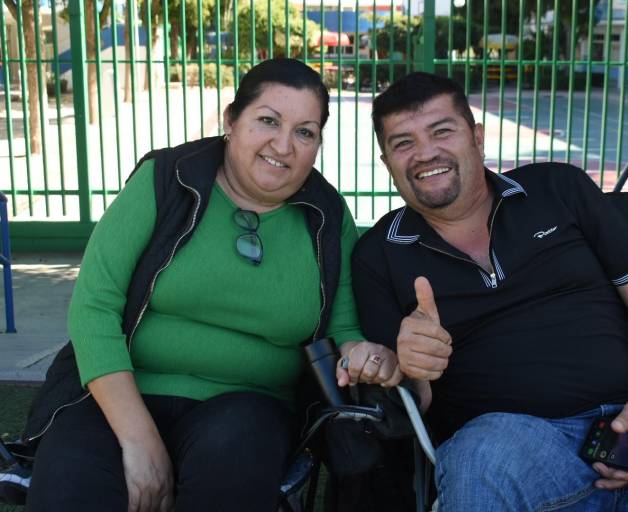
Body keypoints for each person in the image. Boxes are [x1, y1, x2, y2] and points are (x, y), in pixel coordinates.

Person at [352, 72, 628, 511]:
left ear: (476, 137)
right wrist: (416, 369)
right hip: (513, 449)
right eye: (403, 143)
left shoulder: (558, 189)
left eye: (442, 131)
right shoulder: (378, 255)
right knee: (481, 454)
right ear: (387, 162)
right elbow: (414, 401)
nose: (425, 153)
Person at [24, 58, 399, 512]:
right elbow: (94, 306)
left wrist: (368, 355)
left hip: (250, 406)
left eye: (305, 131)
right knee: (71, 487)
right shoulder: (165, 180)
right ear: (230, 121)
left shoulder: (327, 217)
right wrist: (140, 441)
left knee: (233, 460)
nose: (283, 144)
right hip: (120, 395)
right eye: (267, 120)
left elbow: (343, 330)